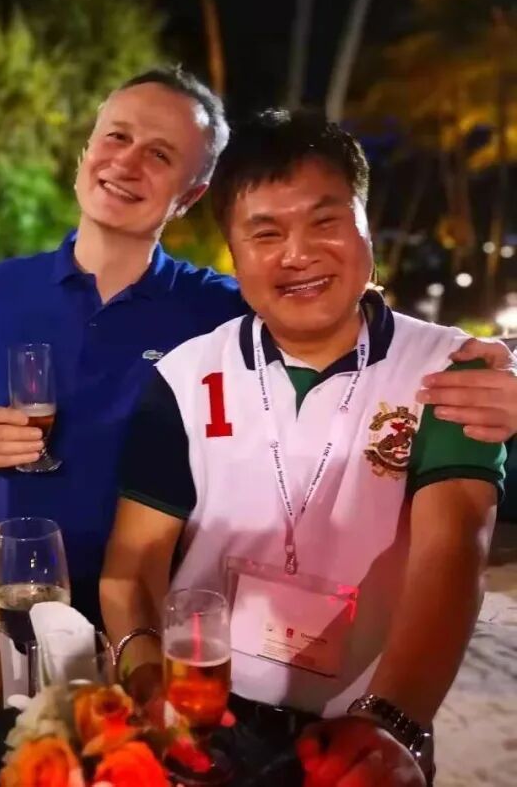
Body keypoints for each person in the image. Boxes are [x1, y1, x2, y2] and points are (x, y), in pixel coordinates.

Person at [0, 64, 517, 627]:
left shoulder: (223, 308)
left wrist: (489, 364)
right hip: (24, 594)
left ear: (191, 194)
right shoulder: (4, 289)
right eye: (116, 137)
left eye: (160, 155)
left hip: (169, 613)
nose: (127, 162)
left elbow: (339, 312)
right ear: (86, 152)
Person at [104, 110, 504, 786]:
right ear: (233, 255)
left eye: (325, 221)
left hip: (370, 725)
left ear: (366, 228)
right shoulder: (184, 377)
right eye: (266, 233)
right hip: (205, 712)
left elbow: (454, 548)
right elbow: (132, 564)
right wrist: (146, 680)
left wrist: (392, 724)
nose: (297, 254)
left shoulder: (449, 370)